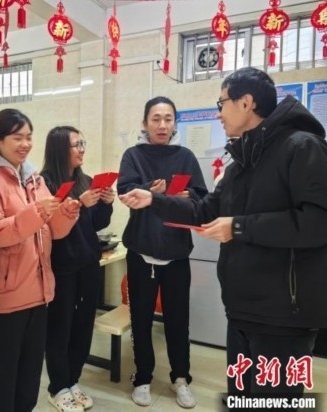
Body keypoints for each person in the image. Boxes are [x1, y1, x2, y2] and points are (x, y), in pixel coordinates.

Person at [119, 67, 327, 410]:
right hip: (242, 308)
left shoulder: (301, 147)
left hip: (283, 316)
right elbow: (205, 209)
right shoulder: (241, 162)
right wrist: (154, 199)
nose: (218, 113)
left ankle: (180, 376)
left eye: (221, 103)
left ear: (246, 103)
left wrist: (239, 227)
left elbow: (318, 222)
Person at [0, 108, 80, 412]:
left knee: (29, 379)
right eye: (17, 137)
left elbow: (53, 231)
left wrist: (66, 214)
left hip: (39, 291)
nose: (25, 144)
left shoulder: (34, 179)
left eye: (29, 137)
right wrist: (38, 212)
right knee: (3, 380)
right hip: (7, 296)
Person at [117, 96, 208, 409]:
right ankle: (142, 377)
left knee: (178, 320)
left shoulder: (186, 156)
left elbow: (202, 199)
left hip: (176, 252)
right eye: (155, 119)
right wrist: (149, 191)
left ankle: (180, 378)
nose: (162, 125)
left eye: (168, 119)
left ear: (174, 123)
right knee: (141, 319)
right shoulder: (133, 155)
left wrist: (185, 195)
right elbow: (124, 192)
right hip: (141, 251)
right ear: (145, 123)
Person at [41, 126, 115, 411]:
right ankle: (57, 387)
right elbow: (51, 228)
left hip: (88, 264)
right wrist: (79, 205)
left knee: (83, 325)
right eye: (76, 144)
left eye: (83, 143)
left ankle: (73, 381)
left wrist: (106, 204)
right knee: (60, 327)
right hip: (62, 267)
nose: (82, 149)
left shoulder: (86, 180)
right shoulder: (46, 183)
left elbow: (97, 223)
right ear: (60, 148)